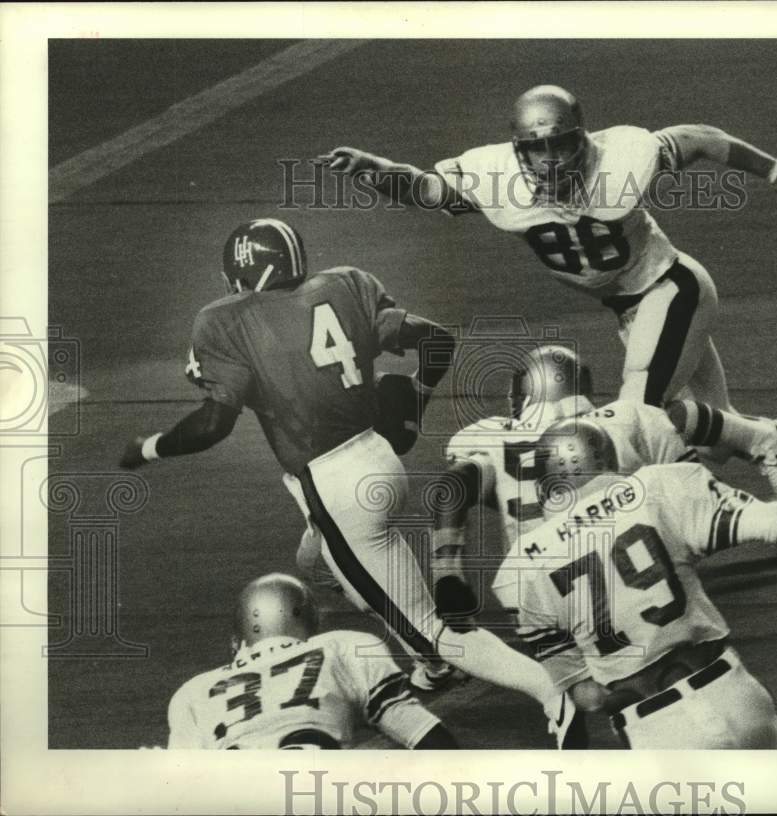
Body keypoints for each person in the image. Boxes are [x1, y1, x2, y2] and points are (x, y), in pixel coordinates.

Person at [119, 218, 583, 747]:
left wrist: (149, 448)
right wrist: (414, 396)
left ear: (243, 275)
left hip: (335, 487)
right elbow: (435, 339)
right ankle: (431, 665)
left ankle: (552, 691)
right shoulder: (347, 284)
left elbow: (213, 423)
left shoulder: (225, 320)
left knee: (431, 626)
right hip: (377, 458)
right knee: (313, 562)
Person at [321, 84, 777, 413]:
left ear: (583, 138)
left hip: (667, 288)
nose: (550, 159)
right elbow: (424, 190)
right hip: (630, 308)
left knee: (640, 417)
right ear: (518, 150)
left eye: (562, 144)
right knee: (713, 425)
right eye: (537, 148)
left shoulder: (621, 158)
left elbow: (699, 137)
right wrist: (375, 168)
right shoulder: (496, 175)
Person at [428, 344, 777, 705]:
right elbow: (689, 479)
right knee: (683, 439)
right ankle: (762, 437)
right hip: (646, 571)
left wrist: (448, 569)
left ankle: (449, 665)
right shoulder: (625, 416)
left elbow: (452, 486)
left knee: (579, 682)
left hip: (547, 587)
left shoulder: (488, 438)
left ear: (523, 397)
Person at [498, 418, 777, 748]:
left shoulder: (522, 567)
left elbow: (587, 697)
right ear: (607, 457)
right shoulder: (661, 486)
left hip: (656, 730)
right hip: (735, 695)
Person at [166, 573, 458, 749]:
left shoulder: (193, 693)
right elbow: (428, 738)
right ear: (310, 624)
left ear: (236, 641)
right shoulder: (341, 648)